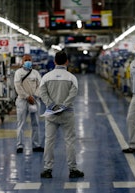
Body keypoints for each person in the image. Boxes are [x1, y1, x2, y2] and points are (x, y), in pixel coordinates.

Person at [39, 51, 84, 179]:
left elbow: (42, 93)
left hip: (51, 113)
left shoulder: (46, 77)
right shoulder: (71, 77)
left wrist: (51, 105)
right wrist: (64, 105)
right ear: (67, 62)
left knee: (49, 141)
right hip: (67, 113)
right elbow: (73, 94)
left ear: (54, 62)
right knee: (70, 141)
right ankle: (73, 169)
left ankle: (48, 169)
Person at [14, 54, 44, 153]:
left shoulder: (36, 73)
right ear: (22, 61)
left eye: (29, 60)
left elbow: (41, 86)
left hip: (35, 101)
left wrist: (34, 96)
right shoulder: (18, 72)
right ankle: (19, 145)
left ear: (32, 61)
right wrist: (27, 96)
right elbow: (18, 86)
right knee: (21, 123)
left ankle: (36, 145)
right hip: (22, 100)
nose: (27, 61)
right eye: (25, 60)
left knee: (35, 124)